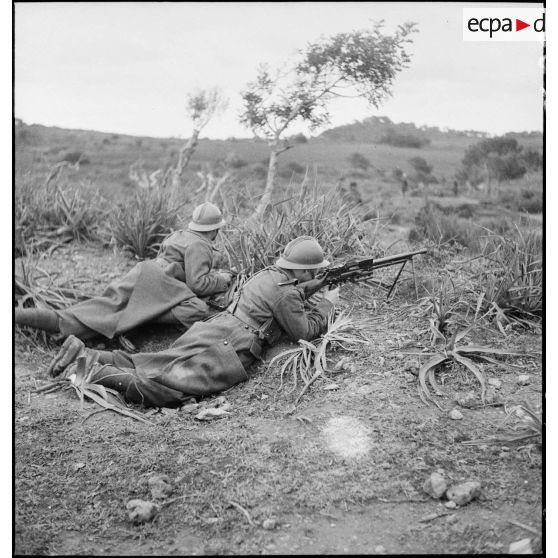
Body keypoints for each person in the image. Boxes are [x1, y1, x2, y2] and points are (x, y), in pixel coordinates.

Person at [46, 236, 340, 408]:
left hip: (215, 327)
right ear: (303, 271)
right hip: (232, 346)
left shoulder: (268, 275)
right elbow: (304, 332)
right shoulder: (287, 294)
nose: (316, 275)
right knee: (171, 388)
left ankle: (86, 353)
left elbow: (282, 296)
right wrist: (327, 304)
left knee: (153, 360)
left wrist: (311, 289)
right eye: (314, 271)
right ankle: (95, 374)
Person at [15, 202, 232, 342]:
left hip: (143, 271)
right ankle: (140, 320)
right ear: (214, 229)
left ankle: (36, 318)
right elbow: (198, 284)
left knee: (103, 308)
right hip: (160, 284)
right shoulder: (200, 245)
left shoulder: (180, 234)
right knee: (197, 309)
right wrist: (222, 280)